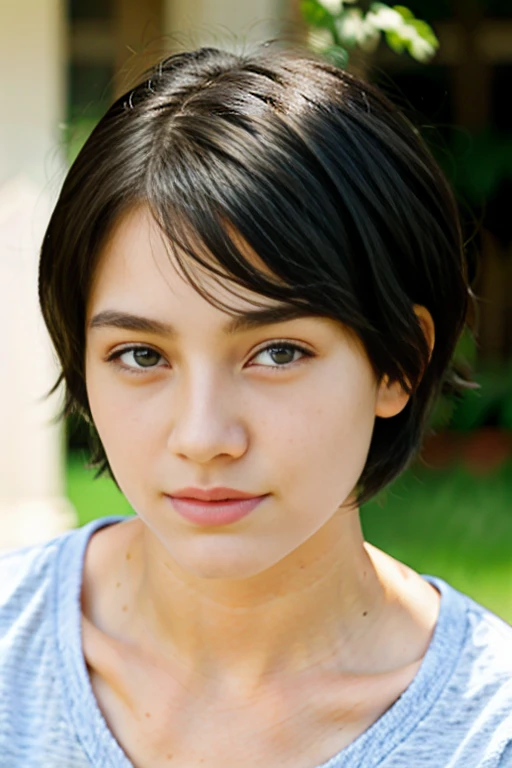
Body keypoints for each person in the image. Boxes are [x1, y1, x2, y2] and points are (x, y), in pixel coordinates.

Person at [1, 42, 511, 768]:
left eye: (277, 353)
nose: (204, 436)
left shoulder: (487, 736)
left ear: (400, 360)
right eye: (142, 356)